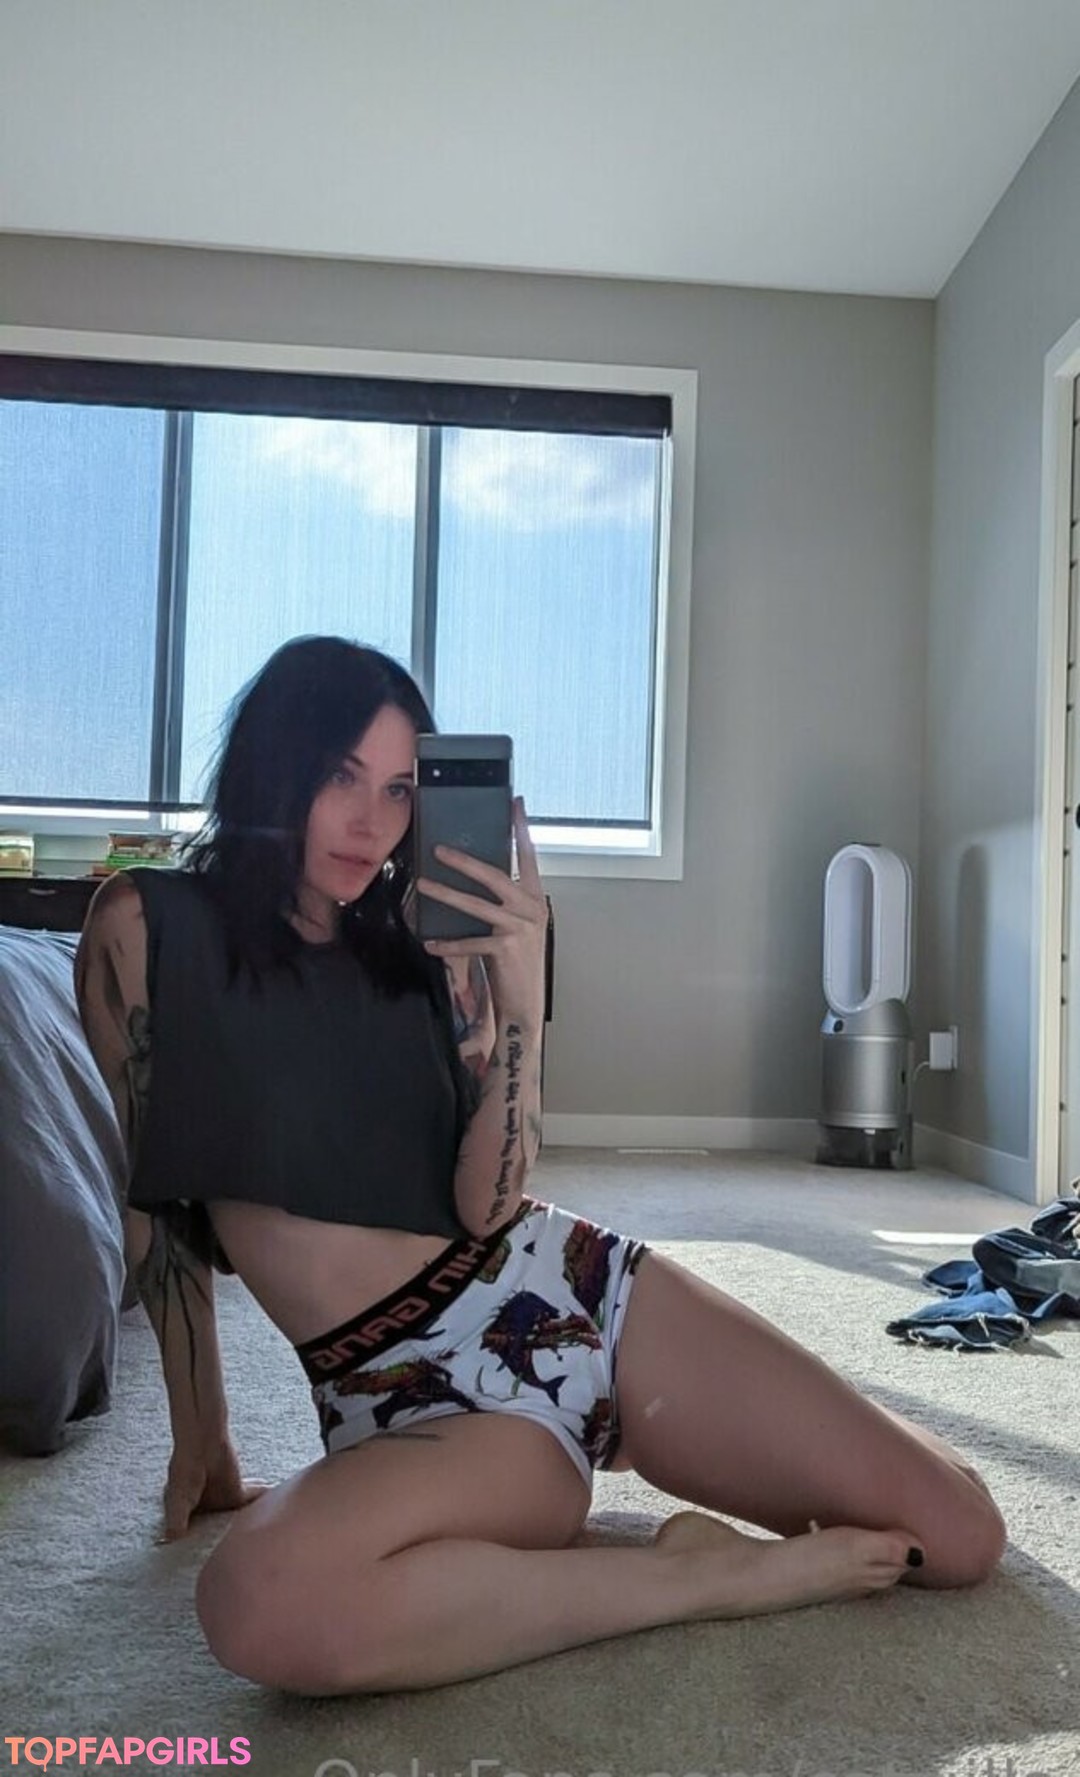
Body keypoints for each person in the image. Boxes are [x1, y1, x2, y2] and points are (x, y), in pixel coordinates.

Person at [75, 635, 1006, 1697]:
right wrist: (202, 1439)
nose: (372, 821)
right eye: (340, 776)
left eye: (398, 788)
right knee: (256, 1601)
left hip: (570, 1289)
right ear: (272, 762)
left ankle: (829, 1447)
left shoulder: (430, 943)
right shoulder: (146, 929)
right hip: (415, 1404)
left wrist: (520, 997)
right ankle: (702, 1577)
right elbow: (159, 1200)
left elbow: (489, 1203)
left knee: (957, 1535)